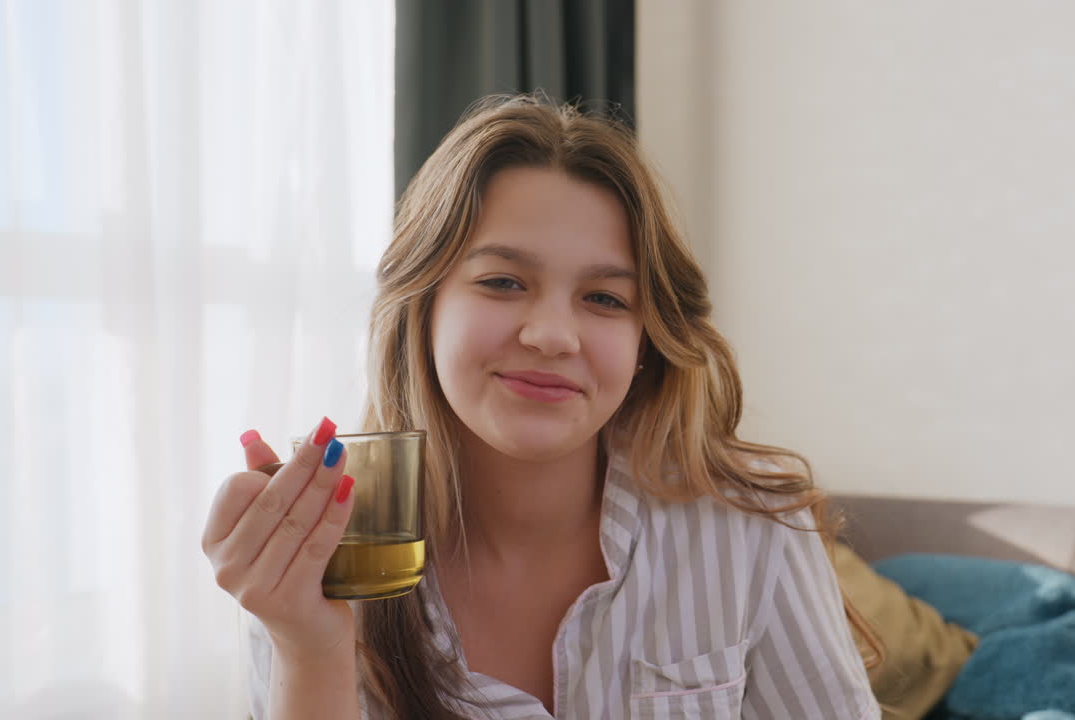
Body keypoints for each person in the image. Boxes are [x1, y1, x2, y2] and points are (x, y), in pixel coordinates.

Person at [202, 93, 881, 720]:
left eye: (605, 299)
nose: (553, 335)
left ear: (646, 341)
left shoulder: (749, 532)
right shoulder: (317, 558)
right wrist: (311, 648)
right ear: (424, 309)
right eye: (502, 282)